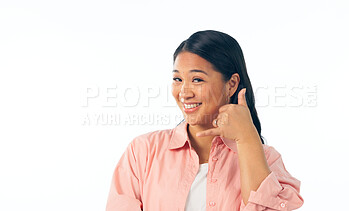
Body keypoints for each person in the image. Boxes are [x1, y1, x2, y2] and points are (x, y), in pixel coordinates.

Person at [106, 30, 304, 211]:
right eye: (177, 79)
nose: (184, 92)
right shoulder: (143, 151)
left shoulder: (267, 159)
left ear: (232, 84)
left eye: (197, 80)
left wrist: (247, 137)